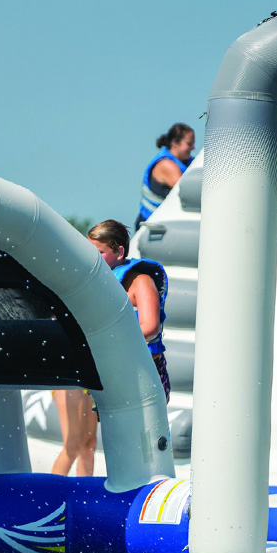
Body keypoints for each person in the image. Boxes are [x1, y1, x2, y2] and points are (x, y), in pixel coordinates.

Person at [88, 219, 171, 402]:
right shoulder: (100, 284)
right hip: (114, 369)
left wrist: (110, 343)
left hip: (145, 371)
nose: (92, 258)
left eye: (99, 253)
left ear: (119, 252)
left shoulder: (141, 282)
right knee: (115, 428)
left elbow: (150, 328)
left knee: (145, 429)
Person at [137, 122, 195, 229]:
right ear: (175, 143)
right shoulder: (166, 165)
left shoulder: (186, 161)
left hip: (164, 224)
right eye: (189, 144)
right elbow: (190, 193)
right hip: (150, 226)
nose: (193, 148)